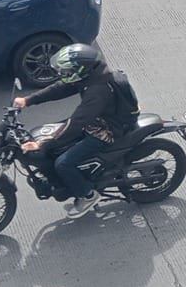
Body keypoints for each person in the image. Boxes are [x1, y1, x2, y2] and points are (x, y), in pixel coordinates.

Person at [13, 44, 138, 218]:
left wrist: (43, 144)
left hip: (105, 130)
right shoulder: (90, 76)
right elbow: (60, 88)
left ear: (79, 70)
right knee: (50, 135)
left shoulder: (98, 91)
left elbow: (78, 122)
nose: (62, 74)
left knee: (63, 163)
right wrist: (28, 100)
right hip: (95, 120)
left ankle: (88, 195)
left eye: (66, 71)